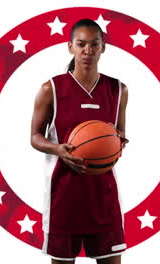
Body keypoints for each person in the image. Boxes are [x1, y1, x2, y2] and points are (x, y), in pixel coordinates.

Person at [30, 18, 128, 264]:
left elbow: (120, 136)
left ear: (103, 47)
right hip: (64, 196)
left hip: (103, 196)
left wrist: (115, 145)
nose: (88, 51)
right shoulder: (50, 88)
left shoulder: (118, 90)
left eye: (94, 44)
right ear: (70, 47)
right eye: (81, 44)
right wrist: (58, 150)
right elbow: (34, 137)